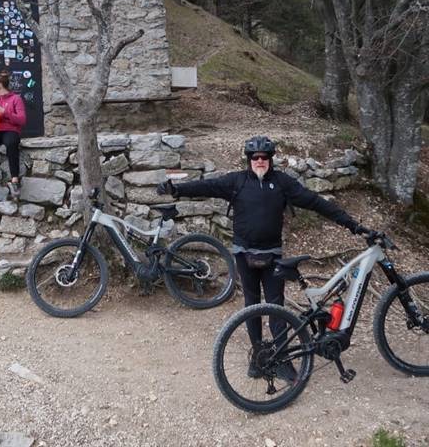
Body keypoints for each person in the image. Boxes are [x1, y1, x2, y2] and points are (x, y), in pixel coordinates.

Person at [157, 135, 367, 381]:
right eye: (255, 157)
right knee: (252, 307)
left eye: (264, 157)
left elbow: (316, 202)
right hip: (244, 254)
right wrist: (176, 189)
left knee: (276, 308)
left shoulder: (282, 183)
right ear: (249, 159)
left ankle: (281, 360)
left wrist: (352, 225)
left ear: (270, 160)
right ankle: (259, 358)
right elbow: (207, 186)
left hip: (273, 256)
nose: (259, 161)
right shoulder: (236, 181)